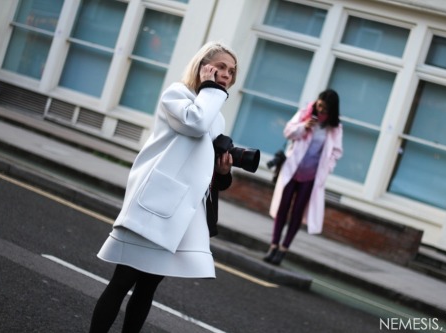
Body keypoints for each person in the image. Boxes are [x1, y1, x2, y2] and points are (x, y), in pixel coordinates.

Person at [88, 41, 238, 333]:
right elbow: (195, 123)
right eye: (220, 67)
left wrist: (222, 172)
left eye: (231, 72)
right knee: (122, 281)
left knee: (147, 289)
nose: (226, 75)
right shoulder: (177, 95)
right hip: (154, 205)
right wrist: (209, 89)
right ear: (202, 66)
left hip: (180, 215)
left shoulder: (215, 113)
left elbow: (200, 163)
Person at [264, 89, 343, 266]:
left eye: (325, 110)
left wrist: (327, 168)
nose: (321, 112)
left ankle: (284, 249)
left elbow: (336, 152)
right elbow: (288, 133)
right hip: (292, 170)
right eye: (319, 106)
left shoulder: (335, 128)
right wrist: (303, 126)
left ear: (332, 111)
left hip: (311, 177)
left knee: (297, 213)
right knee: (282, 209)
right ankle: (273, 245)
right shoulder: (304, 115)